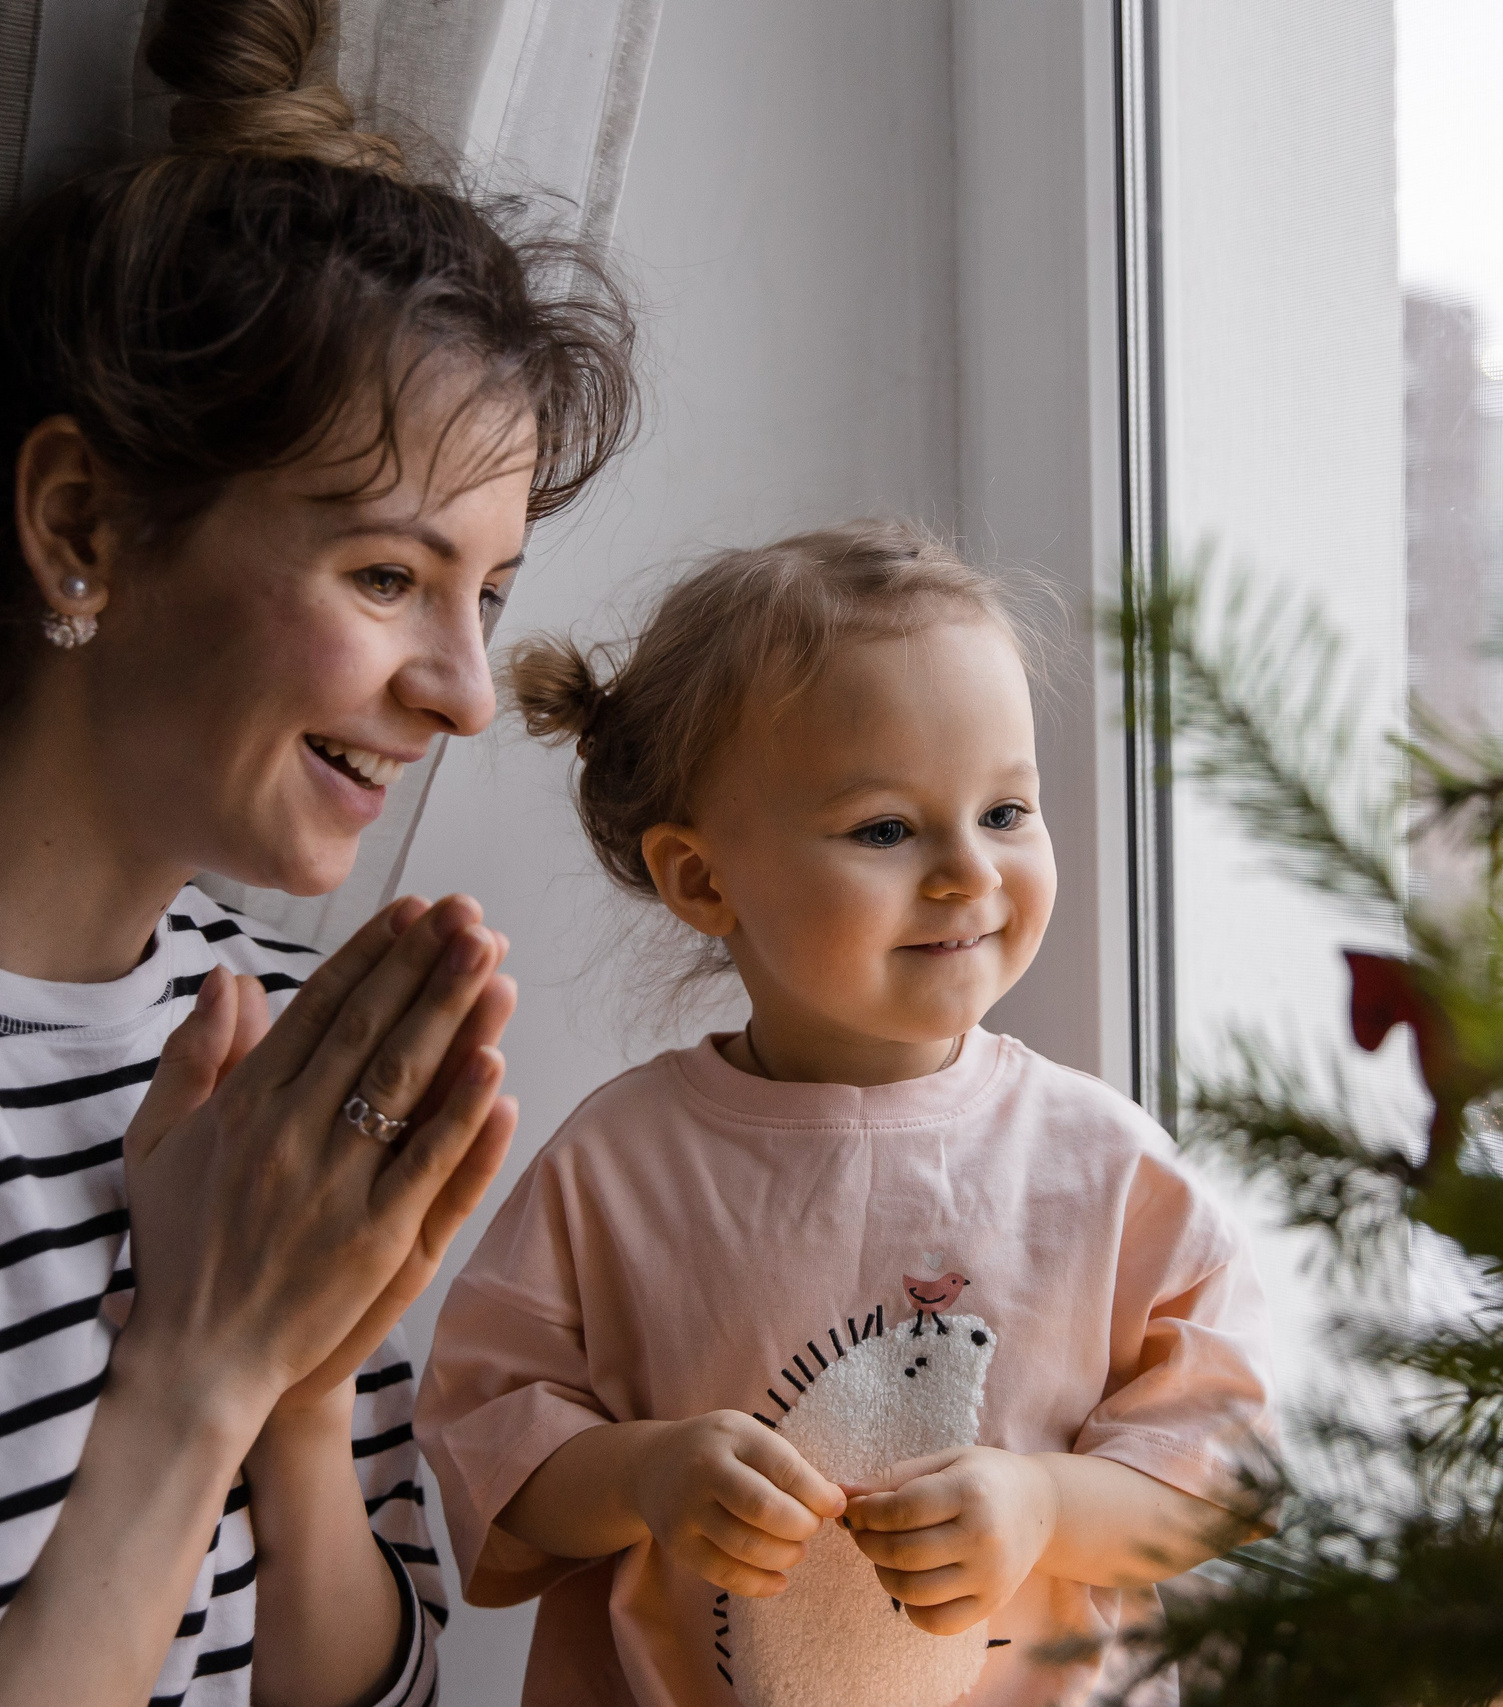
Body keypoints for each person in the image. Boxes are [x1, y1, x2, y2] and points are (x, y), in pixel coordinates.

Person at [0, 1, 636, 1702]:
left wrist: (305, 1390)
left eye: (492, 596)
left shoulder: (282, 1041)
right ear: (81, 525)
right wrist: (198, 1371)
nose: (464, 692)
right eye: (387, 576)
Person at [416, 522, 1275, 1707]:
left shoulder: (1104, 1166)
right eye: (886, 828)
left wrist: (1043, 1506)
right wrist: (642, 1474)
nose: (968, 872)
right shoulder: (617, 1169)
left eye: (1006, 813)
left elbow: (1220, 1472)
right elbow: (485, 1443)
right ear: (702, 879)